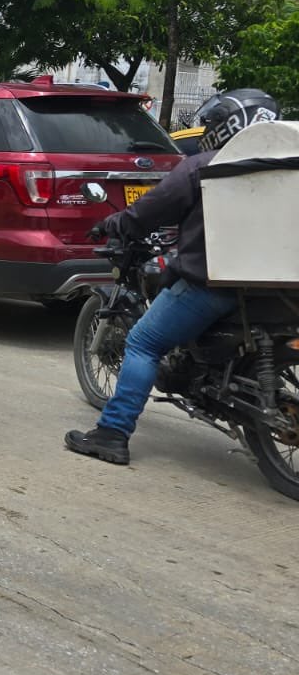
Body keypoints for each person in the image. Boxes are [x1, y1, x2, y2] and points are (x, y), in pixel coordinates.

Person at [65, 88, 281, 466]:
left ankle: (113, 433)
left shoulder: (204, 165)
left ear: (225, 126)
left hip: (215, 286)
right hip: (279, 289)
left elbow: (150, 210)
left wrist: (115, 222)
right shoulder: (287, 166)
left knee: (143, 342)